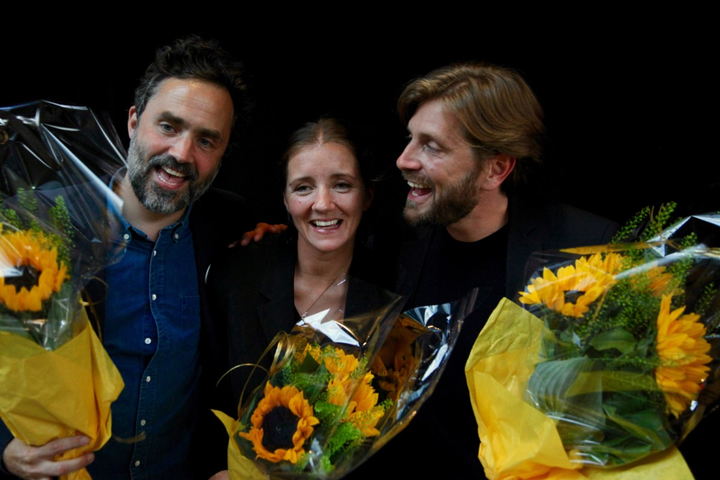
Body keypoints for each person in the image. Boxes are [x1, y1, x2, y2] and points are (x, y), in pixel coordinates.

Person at [0, 35, 258, 480]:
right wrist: (4, 449)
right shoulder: (39, 225)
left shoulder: (229, 224)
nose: (181, 154)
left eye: (206, 140)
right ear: (134, 120)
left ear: (223, 151)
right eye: (169, 127)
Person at [349, 62, 620, 479]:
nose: (404, 160)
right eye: (410, 139)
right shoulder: (394, 243)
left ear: (496, 169)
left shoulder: (585, 251)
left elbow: (616, 416)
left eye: (431, 146)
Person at [197, 118, 399, 479]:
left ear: (367, 195)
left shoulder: (395, 293)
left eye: (342, 185)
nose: (323, 204)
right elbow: (203, 398)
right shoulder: (236, 277)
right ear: (285, 200)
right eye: (303, 187)